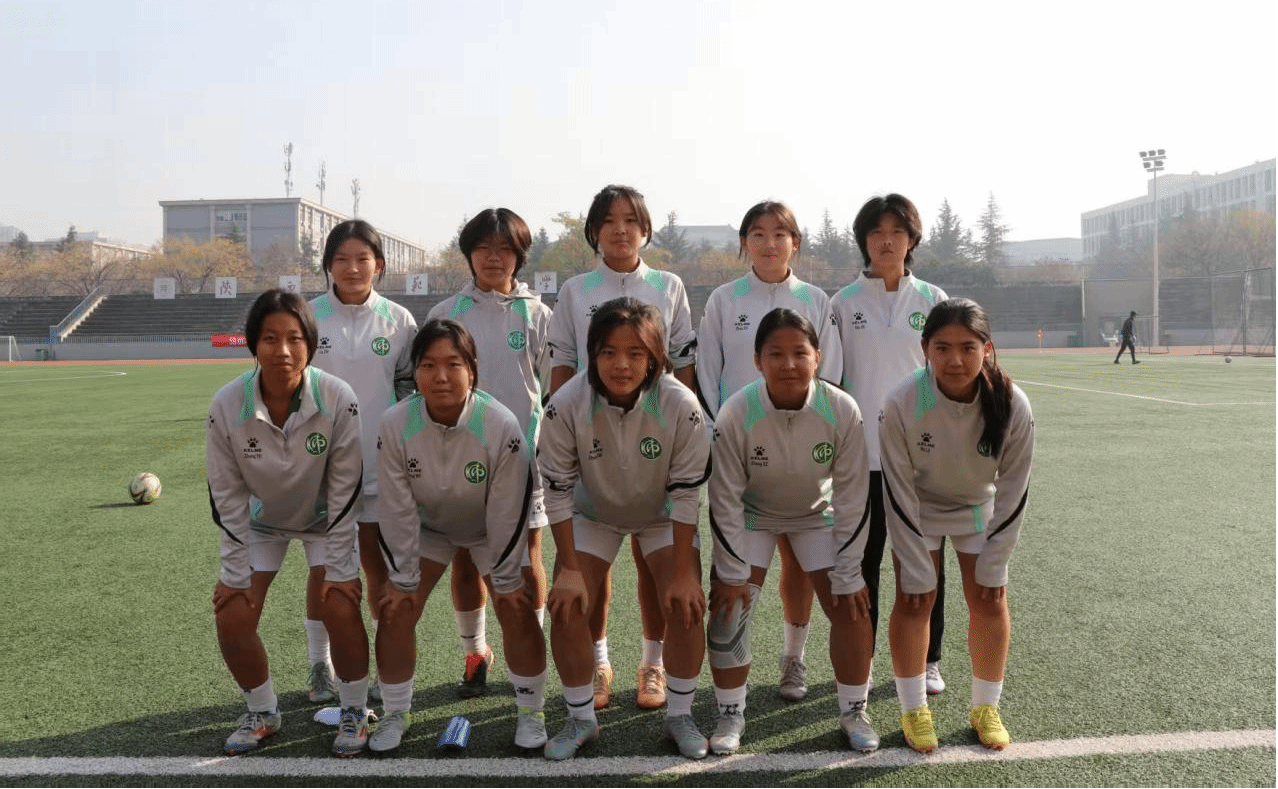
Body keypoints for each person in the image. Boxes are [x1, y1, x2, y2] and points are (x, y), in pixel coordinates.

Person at [546, 184, 698, 711]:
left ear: (645, 229)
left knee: (660, 568)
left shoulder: (669, 285)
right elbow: (564, 365)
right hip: (597, 439)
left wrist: (686, 425)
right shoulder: (575, 290)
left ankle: (653, 664)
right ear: (594, 230)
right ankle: (599, 661)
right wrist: (565, 423)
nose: (620, 230)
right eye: (608, 221)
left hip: (654, 444)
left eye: (630, 220)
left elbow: (681, 363)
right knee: (595, 567)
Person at [540, 297, 711, 761]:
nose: (622, 365)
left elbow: (687, 496)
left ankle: (680, 716)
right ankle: (581, 718)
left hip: (661, 514)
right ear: (592, 353)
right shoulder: (566, 403)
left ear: (655, 357)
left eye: (636, 353)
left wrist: (683, 572)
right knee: (567, 604)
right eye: (609, 352)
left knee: (685, 602)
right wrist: (568, 569)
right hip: (593, 513)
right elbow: (556, 492)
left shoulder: (680, 404)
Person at [205, 289, 371, 756]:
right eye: (270, 338)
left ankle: (354, 708)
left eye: (295, 338)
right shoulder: (227, 403)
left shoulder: (337, 397)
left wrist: (341, 569)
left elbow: (346, 488)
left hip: (324, 520)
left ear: (310, 343)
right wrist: (233, 574)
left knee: (340, 603)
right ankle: (262, 711)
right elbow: (226, 495)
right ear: (252, 344)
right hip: (263, 522)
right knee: (232, 612)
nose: (282, 350)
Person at [370, 319, 548, 752]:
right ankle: (395, 713)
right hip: (431, 529)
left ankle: (530, 711)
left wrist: (506, 579)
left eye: (453, 364)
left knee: (517, 605)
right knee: (395, 607)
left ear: (473, 369)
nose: (441, 376)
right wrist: (402, 578)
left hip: (488, 527)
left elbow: (507, 512)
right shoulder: (395, 423)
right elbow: (395, 508)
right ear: (415, 372)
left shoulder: (500, 424)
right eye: (428, 365)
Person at [706, 308, 876, 755]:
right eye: (775, 354)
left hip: (814, 515)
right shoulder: (736, 411)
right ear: (757, 361)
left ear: (818, 356)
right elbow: (724, 499)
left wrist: (850, 570)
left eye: (800, 353)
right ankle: (730, 712)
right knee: (727, 609)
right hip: (754, 515)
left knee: (852, 606)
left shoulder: (841, 408)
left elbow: (854, 496)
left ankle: (854, 710)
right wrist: (732, 572)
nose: (788, 364)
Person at [696, 200, 842, 702]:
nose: (769, 243)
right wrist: (720, 437)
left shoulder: (817, 300)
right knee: (737, 571)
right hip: (739, 455)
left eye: (780, 234)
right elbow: (707, 373)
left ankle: (793, 658)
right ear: (744, 244)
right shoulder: (723, 300)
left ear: (795, 243)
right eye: (757, 234)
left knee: (799, 562)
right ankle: (729, 687)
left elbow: (830, 375)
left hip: (804, 456)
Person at [880, 297, 1034, 753]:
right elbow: (897, 489)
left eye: (968, 347)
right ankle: (914, 710)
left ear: (987, 348)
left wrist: (995, 560)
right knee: (914, 599)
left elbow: (1014, 488)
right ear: (925, 349)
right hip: (918, 510)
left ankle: (986, 707)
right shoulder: (902, 401)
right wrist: (915, 564)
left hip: (976, 508)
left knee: (990, 598)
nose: (955, 360)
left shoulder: (1011, 402)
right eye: (942, 347)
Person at [427, 208, 552, 699]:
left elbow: (554, 389)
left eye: (505, 249)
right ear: (469, 254)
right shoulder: (446, 314)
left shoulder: (538, 315)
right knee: (464, 554)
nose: (494, 257)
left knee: (528, 556)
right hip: (457, 459)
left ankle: (530, 645)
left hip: (524, 460)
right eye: (483, 248)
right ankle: (475, 651)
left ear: (520, 256)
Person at [829, 194, 950, 696]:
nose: (886, 241)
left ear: (912, 239)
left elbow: (947, 376)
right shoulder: (842, 303)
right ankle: (867, 656)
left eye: (897, 232)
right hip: (861, 458)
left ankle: (928, 658)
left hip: (919, 458)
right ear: (863, 240)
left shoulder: (933, 299)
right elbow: (831, 382)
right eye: (876, 232)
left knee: (923, 561)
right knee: (863, 563)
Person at [307, 219, 417, 705]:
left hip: (379, 467)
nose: (352, 269)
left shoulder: (400, 321)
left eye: (362, 259)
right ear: (328, 265)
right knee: (323, 570)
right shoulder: (308, 317)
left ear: (380, 265)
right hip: (319, 469)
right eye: (341, 259)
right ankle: (320, 665)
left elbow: (410, 392)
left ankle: (380, 668)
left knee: (377, 569)